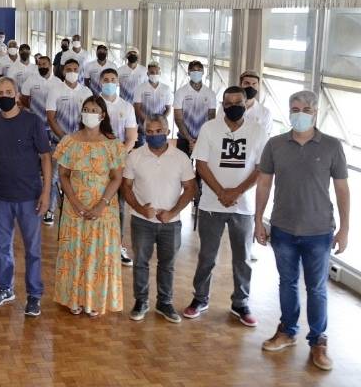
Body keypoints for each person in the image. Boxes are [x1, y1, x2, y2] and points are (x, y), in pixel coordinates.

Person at [255, 90, 350, 371]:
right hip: (283, 227)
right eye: (294, 108)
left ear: (315, 112)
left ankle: (318, 340)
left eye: (305, 109)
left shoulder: (332, 146)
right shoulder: (275, 144)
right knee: (287, 283)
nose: (299, 113)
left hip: (319, 231)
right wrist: (258, 219)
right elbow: (263, 184)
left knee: (317, 288)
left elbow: (342, 189)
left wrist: (344, 229)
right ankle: (287, 331)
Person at [183, 86, 268, 326]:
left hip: (243, 206)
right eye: (228, 103)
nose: (233, 107)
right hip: (212, 204)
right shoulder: (210, 128)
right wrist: (221, 192)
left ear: (246, 103)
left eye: (238, 102)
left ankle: (241, 302)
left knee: (242, 258)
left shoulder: (258, 131)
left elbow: (261, 168)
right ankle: (200, 298)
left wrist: (236, 192)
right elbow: (201, 164)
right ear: (222, 105)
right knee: (207, 255)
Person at [0, 77, 52, 317]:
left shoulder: (33, 122)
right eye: (0, 92)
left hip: (29, 195)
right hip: (0, 195)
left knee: (32, 249)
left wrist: (46, 192)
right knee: (1, 246)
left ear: (18, 93)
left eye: (8, 91)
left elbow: (45, 157)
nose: (4, 96)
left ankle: (34, 295)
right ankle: (4, 288)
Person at [54, 95, 125, 317]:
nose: (89, 114)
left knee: (99, 254)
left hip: (103, 209)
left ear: (103, 115)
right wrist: (74, 202)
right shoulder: (69, 142)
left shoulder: (113, 145)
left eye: (94, 110)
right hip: (75, 209)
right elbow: (63, 175)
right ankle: (73, 298)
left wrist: (101, 205)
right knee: (74, 251)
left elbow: (116, 178)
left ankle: (94, 299)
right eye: (86, 109)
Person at [122, 115, 197, 323]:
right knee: (140, 263)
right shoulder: (134, 156)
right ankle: (141, 301)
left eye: (158, 131)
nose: (154, 136)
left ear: (167, 132)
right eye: (150, 132)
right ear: (144, 134)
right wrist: (139, 208)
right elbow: (125, 188)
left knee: (168, 265)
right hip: (141, 220)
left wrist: (172, 212)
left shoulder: (181, 158)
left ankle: (165, 302)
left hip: (171, 223)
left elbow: (191, 188)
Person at [45, 59, 93, 226]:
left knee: (80, 178)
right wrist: (65, 138)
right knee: (54, 177)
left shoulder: (86, 92)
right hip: (59, 143)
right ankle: (50, 210)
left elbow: (90, 118)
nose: (72, 72)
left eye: (75, 69)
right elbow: (51, 118)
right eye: (69, 69)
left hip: (81, 144)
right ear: (63, 71)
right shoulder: (55, 90)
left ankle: (77, 209)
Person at [99, 68, 139, 265]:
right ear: (100, 82)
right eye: (105, 79)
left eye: (112, 80)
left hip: (120, 162)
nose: (109, 82)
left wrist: (118, 156)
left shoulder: (127, 107)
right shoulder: (93, 104)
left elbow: (131, 137)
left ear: (118, 83)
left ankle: (118, 244)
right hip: (97, 161)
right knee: (97, 201)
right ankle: (97, 245)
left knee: (120, 205)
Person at [20, 56, 64, 222]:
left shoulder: (59, 83)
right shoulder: (31, 81)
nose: (42, 67)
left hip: (53, 132)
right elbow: (24, 99)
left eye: (45, 64)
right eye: (40, 64)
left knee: (51, 174)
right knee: (34, 167)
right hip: (34, 130)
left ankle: (50, 209)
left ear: (51, 66)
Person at [173, 60, 217, 214]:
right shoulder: (181, 92)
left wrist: (199, 140)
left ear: (203, 72)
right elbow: (178, 118)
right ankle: (177, 201)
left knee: (201, 170)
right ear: (189, 72)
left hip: (204, 140)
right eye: (193, 70)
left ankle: (197, 202)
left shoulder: (210, 93)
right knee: (181, 169)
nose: (196, 72)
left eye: (199, 70)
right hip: (184, 138)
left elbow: (212, 118)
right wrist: (190, 139)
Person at [216, 70, 273, 136]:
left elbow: (265, 138)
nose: (251, 87)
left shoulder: (265, 113)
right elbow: (218, 127)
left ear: (258, 86)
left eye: (254, 84)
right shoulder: (226, 106)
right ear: (240, 85)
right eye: (247, 83)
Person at [133, 61, 173, 147]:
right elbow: (137, 108)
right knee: (142, 150)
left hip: (160, 128)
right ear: (147, 73)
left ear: (160, 73)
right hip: (143, 127)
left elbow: (169, 108)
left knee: (159, 149)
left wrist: (160, 120)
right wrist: (148, 121)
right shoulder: (140, 88)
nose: (154, 74)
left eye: (156, 72)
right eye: (151, 72)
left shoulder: (166, 89)